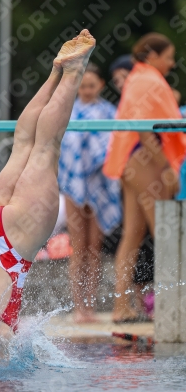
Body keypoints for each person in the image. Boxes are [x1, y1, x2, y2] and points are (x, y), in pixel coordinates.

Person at [0, 30, 96, 358]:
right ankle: (56, 71)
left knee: (46, 148)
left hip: (12, 246)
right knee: (23, 148)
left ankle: (72, 71)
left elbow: (0, 339)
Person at [103, 32, 186, 323]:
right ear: (152, 56)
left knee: (133, 235)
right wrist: (166, 166)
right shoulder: (147, 79)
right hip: (144, 158)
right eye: (168, 57)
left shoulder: (139, 78)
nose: (172, 63)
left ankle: (121, 308)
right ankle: (174, 312)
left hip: (131, 160)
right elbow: (145, 129)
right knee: (166, 234)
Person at [58, 63, 121, 323]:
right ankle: (78, 306)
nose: (86, 90)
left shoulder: (109, 112)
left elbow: (113, 146)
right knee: (78, 247)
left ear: (101, 86)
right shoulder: (67, 112)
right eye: (82, 85)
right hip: (74, 187)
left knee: (94, 248)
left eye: (91, 85)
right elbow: (64, 149)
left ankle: (90, 306)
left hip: (100, 186)